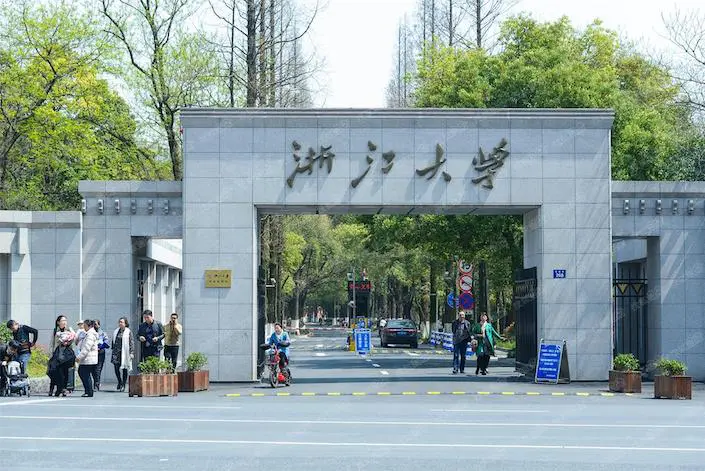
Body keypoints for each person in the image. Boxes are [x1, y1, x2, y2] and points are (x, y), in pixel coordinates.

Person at [49, 315, 76, 397]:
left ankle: (63, 389)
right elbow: (52, 343)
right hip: (57, 354)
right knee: (56, 371)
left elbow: (74, 340)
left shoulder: (70, 330)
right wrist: (51, 354)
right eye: (62, 320)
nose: (64, 322)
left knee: (65, 372)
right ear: (58, 322)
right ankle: (56, 388)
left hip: (67, 354)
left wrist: (68, 342)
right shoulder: (55, 331)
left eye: (65, 320)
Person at [76, 319, 98, 397]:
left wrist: (79, 357)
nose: (84, 327)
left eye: (85, 325)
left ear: (89, 326)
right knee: (85, 374)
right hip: (88, 358)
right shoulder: (89, 333)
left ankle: (89, 391)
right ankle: (88, 391)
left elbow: (86, 348)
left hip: (88, 359)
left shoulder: (90, 335)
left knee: (84, 373)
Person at [112, 317, 134, 392]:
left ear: (125, 323)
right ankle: (119, 381)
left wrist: (131, 352)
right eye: (119, 322)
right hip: (116, 353)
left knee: (124, 369)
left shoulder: (128, 332)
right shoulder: (116, 331)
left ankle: (123, 384)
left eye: (122, 322)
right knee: (116, 368)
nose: (120, 323)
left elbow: (131, 342)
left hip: (124, 352)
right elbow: (113, 341)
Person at [92, 320, 110, 391]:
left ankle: (97, 383)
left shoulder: (102, 333)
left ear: (99, 325)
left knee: (98, 369)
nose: (94, 326)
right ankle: (96, 382)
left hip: (100, 352)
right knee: (93, 369)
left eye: (96, 324)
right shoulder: (90, 333)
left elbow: (106, 342)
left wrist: (101, 346)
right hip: (93, 352)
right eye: (93, 324)